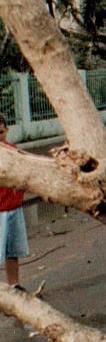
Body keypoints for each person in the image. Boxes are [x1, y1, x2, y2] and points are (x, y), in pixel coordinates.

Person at [0, 115, 28, 291]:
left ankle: (14, 285)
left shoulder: (13, 150)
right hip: (0, 210)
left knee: (13, 252)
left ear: (6, 130)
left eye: (0, 132)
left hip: (14, 208)